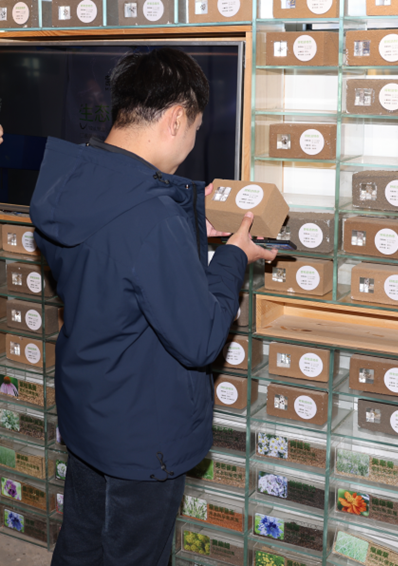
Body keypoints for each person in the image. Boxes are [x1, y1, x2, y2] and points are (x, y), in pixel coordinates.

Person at [29, 48, 276, 566]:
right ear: (176, 118)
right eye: (194, 130)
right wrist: (233, 256)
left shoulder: (67, 180)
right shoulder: (151, 219)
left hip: (88, 410)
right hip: (142, 431)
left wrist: (186, 228)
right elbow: (201, 339)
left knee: (81, 544)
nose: (191, 144)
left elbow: (113, 266)